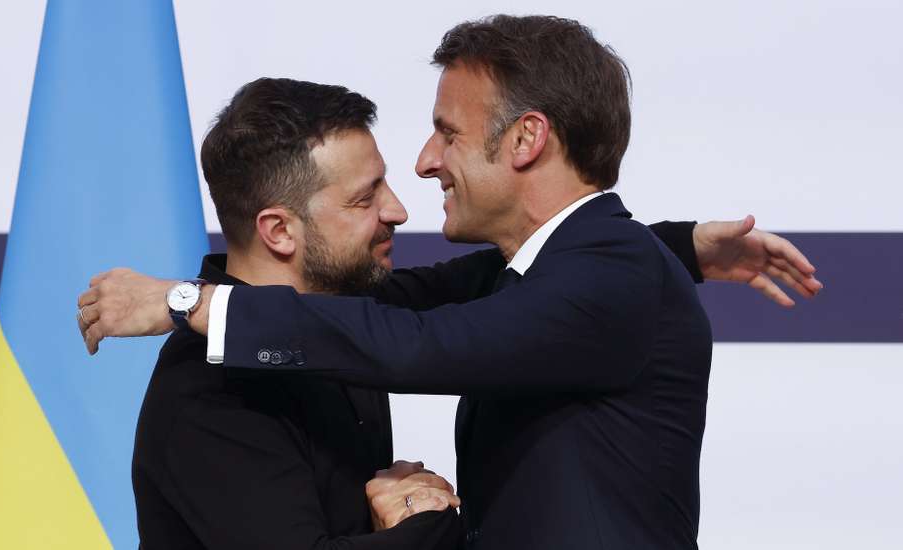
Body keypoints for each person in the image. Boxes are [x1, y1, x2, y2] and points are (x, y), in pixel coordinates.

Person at [79, 16, 823, 549]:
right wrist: (681, 247)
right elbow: (412, 308)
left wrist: (186, 302)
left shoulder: (610, 276)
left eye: (449, 132)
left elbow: (417, 341)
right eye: (366, 196)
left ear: (527, 139)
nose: (426, 164)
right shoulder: (580, 269)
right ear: (278, 228)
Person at [131, 78, 469, 549]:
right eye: (364, 198)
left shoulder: (343, 316)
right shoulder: (209, 390)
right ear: (279, 231)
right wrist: (432, 524)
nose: (398, 210)